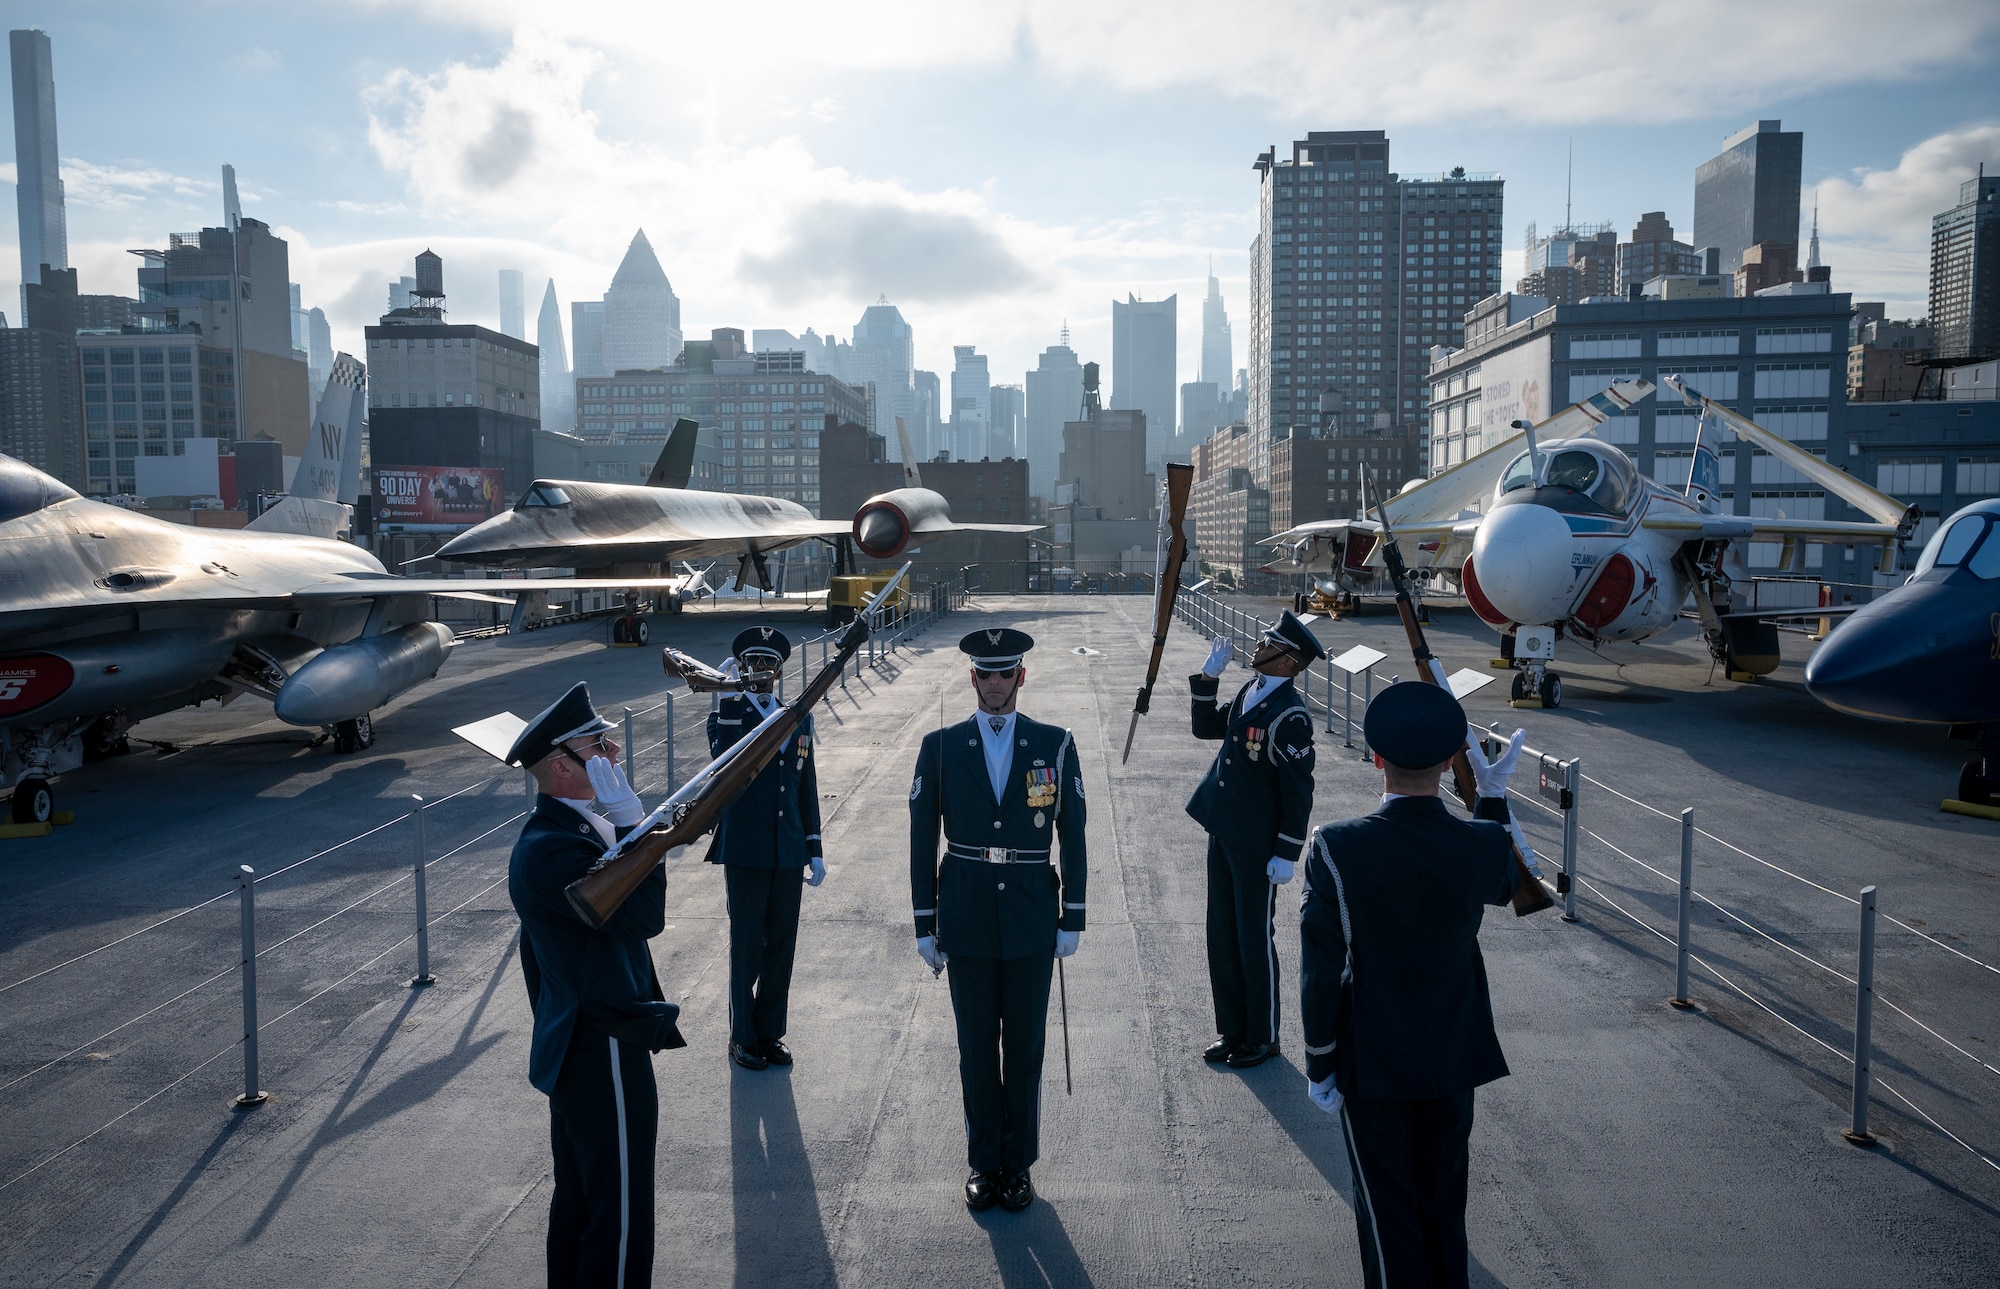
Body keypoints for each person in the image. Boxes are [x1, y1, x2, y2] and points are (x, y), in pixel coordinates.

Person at [1298, 680, 1529, 1289]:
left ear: (1377, 759)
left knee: (1387, 1214)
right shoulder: (1480, 841)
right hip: (1453, 1052)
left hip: (1372, 1058)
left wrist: (1320, 1061)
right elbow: (1507, 885)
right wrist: (1494, 799)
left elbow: (1321, 967)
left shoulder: (1336, 847)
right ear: (1450, 762)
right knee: (1444, 1206)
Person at [504, 682, 685, 1289]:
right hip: (600, 1042)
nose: (612, 751)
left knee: (584, 1200)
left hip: (588, 1034)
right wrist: (638, 825)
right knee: (619, 1206)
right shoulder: (555, 848)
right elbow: (643, 920)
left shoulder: (571, 833)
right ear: (561, 765)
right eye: (596, 745)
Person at [909, 627, 1087, 1213]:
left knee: (1027, 1048)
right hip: (966, 916)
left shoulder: (1055, 744)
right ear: (972, 679)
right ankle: (985, 1163)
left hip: (1033, 916)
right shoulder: (938, 746)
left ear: (1021, 677)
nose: (994, 684)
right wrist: (924, 922)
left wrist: (1073, 917)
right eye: (984, 674)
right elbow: (920, 839)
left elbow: (1075, 834)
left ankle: (1020, 1165)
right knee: (976, 1049)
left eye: (1003, 673)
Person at [1184, 609, 1326, 1068]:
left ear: (1288, 662)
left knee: (1253, 937)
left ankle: (1263, 1036)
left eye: (1270, 643)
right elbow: (1207, 728)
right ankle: (1233, 1029)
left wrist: (1287, 853)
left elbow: (1298, 793)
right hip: (1224, 828)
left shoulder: (1290, 717)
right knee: (1221, 932)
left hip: (1257, 844)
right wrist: (1208, 679)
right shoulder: (1252, 690)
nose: (1259, 646)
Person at [706, 626, 825, 1070]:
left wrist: (814, 847)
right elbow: (724, 762)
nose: (760, 670)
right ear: (740, 668)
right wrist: (727, 701)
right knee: (746, 947)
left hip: (788, 848)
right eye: (752, 662)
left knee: (781, 945)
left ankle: (770, 1033)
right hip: (745, 848)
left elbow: (804, 786)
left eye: (768, 663)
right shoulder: (727, 714)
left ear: (779, 670)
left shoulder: (797, 717)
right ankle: (742, 1038)